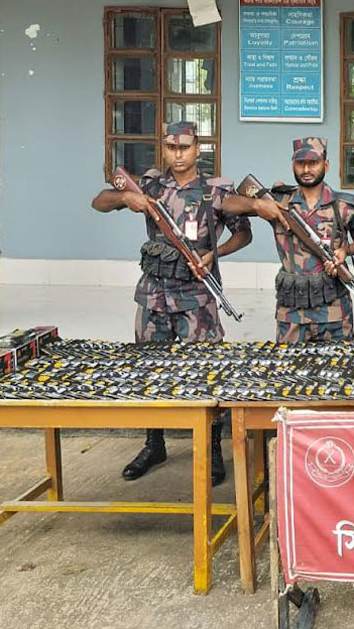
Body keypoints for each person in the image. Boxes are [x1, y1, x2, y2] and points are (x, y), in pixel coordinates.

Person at [91, 121, 252, 486]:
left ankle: (211, 447)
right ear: (164, 150)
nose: (178, 155)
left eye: (185, 147)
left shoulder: (215, 191)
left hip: (197, 297)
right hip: (154, 293)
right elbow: (99, 201)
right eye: (171, 148)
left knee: (205, 371)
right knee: (150, 370)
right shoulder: (150, 185)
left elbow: (244, 233)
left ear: (198, 149)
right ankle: (154, 444)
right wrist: (126, 198)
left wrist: (214, 253)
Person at [224, 136, 354, 343]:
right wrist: (257, 205)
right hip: (291, 312)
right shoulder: (278, 201)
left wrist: (345, 251)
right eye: (300, 163)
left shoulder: (343, 205)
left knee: (340, 362)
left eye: (313, 163)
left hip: (334, 312)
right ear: (292, 165)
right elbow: (226, 205)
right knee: (288, 364)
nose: (306, 169)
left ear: (326, 165)